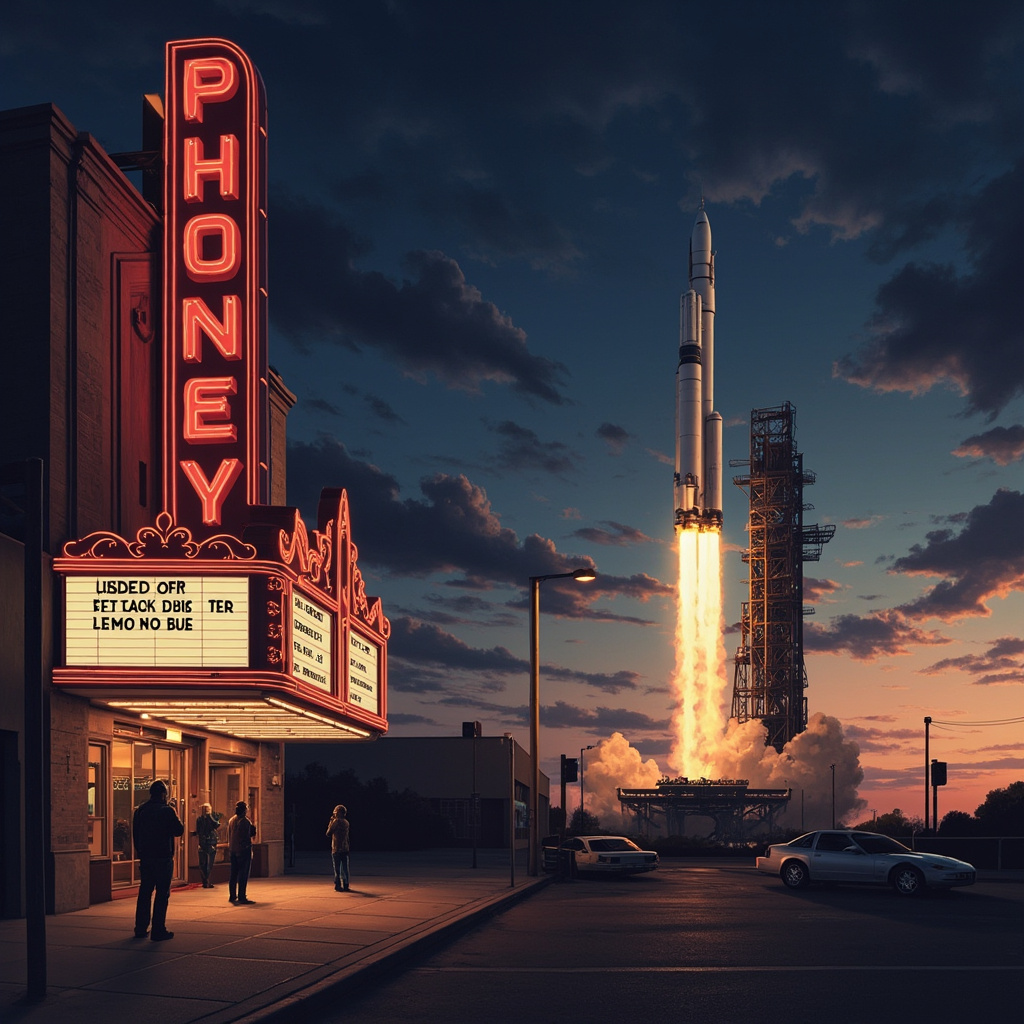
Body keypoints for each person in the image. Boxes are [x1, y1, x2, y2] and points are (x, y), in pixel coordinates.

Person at [132, 779, 184, 941]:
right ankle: (158, 929)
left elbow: (136, 834)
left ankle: (140, 928)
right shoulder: (167, 811)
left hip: (146, 857)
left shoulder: (141, 810)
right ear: (163, 794)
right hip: (163, 857)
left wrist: (141, 852)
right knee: (162, 894)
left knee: (145, 892)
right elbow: (179, 830)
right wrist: (175, 812)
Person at [227, 801, 257, 904]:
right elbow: (246, 836)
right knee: (243, 874)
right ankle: (241, 896)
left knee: (233, 874)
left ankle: (232, 895)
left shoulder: (231, 820)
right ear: (245, 810)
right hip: (243, 851)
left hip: (232, 850)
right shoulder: (245, 822)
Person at [194, 803, 220, 888]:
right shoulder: (200, 819)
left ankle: (206, 880)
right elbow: (199, 831)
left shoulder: (211, 818)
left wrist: (209, 817)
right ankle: (205, 880)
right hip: (205, 842)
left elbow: (216, 825)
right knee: (205, 862)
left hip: (209, 842)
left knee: (208, 863)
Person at [326, 804, 350, 892]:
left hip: (336, 848)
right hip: (345, 848)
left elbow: (328, 833)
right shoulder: (346, 822)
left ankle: (338, 884)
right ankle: (346, 884)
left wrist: (331, 822)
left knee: (337, 868)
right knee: (345, 868)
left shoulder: (336, 822)